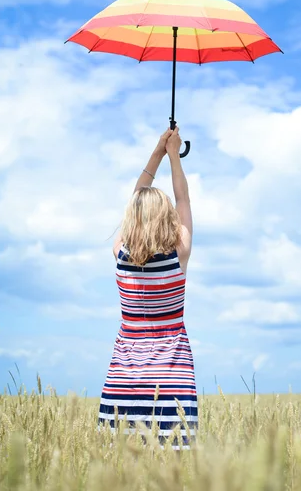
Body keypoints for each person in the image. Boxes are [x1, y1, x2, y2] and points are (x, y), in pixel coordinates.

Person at [98, 126, 198, 450]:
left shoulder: (121, 255)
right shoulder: (178, 252)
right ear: (165, 217)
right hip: (173, 376)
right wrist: (174, 157)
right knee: (176, 462)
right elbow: (182, 197)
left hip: (124, 377)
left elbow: (136, 199)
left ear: (132, 219)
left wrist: (157, 151)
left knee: (123, 464)